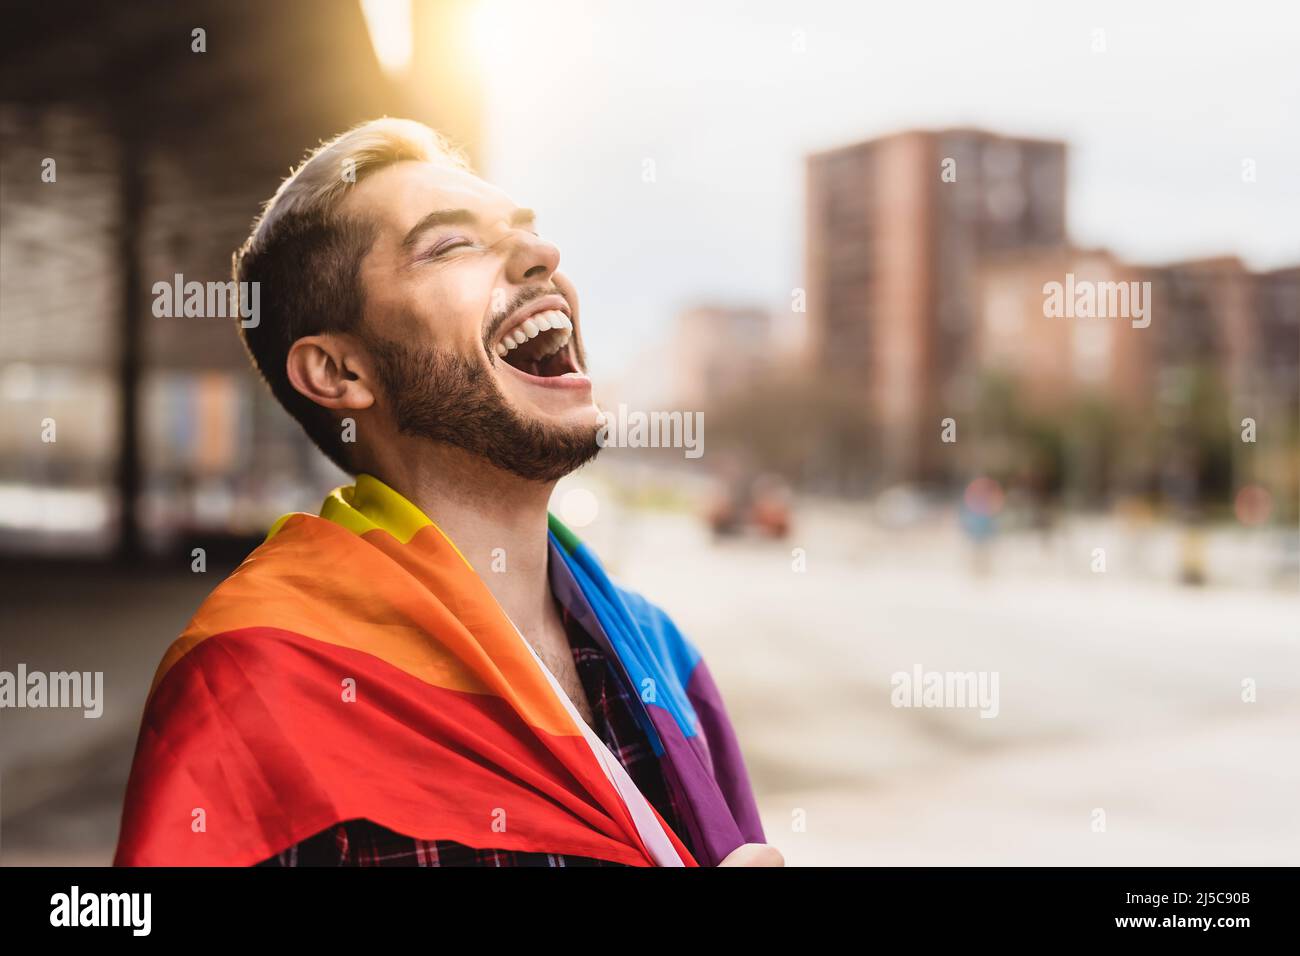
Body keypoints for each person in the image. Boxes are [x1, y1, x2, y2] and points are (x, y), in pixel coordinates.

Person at [114, 119, 779, 868]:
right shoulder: (255, 685)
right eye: (453, 245)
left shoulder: (665, 656)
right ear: (341, 374)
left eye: (525, 231)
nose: (543, 254)